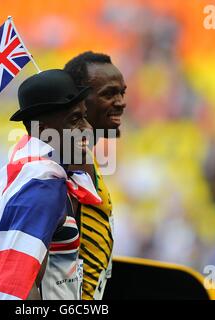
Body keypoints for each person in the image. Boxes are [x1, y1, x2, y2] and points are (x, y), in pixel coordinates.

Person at [0, 69, 101, 300]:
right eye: (75, 120)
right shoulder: (42, 189)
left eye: (85, 116)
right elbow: (16, 288)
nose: (88, 128)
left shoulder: (48, 178)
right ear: (44, 132)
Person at [64, 51, 127, 299]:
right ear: (78, 101)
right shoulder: (60, 168)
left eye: (122, 92)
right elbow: (33, 270)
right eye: (109, 94)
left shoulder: (86, 160)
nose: (121, 102)